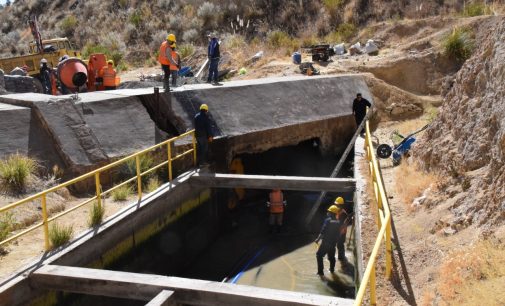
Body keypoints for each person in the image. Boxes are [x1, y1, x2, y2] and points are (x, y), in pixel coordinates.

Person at [315, 205, 342, 276]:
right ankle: (332, 270)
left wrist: (317, 239)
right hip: (333, 244)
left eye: (328, 211)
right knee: (331, 257)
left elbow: (322, 231)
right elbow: (339, 234)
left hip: (326, 243)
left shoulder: (327, 221)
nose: (327, 212)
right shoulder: (338, 222)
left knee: (319, 255)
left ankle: (320, 273)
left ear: (331, 213)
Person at [334, 196, 352, 261]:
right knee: (339, 245)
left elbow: (341, 224)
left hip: (341, 232)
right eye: (336, 204)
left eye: (337, 205)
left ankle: (341, 258)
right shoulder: (339, 211)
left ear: (340, 205)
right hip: (340, 232)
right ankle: (341, 257)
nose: (336, 205)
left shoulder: (343, 214)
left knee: (340, 245)